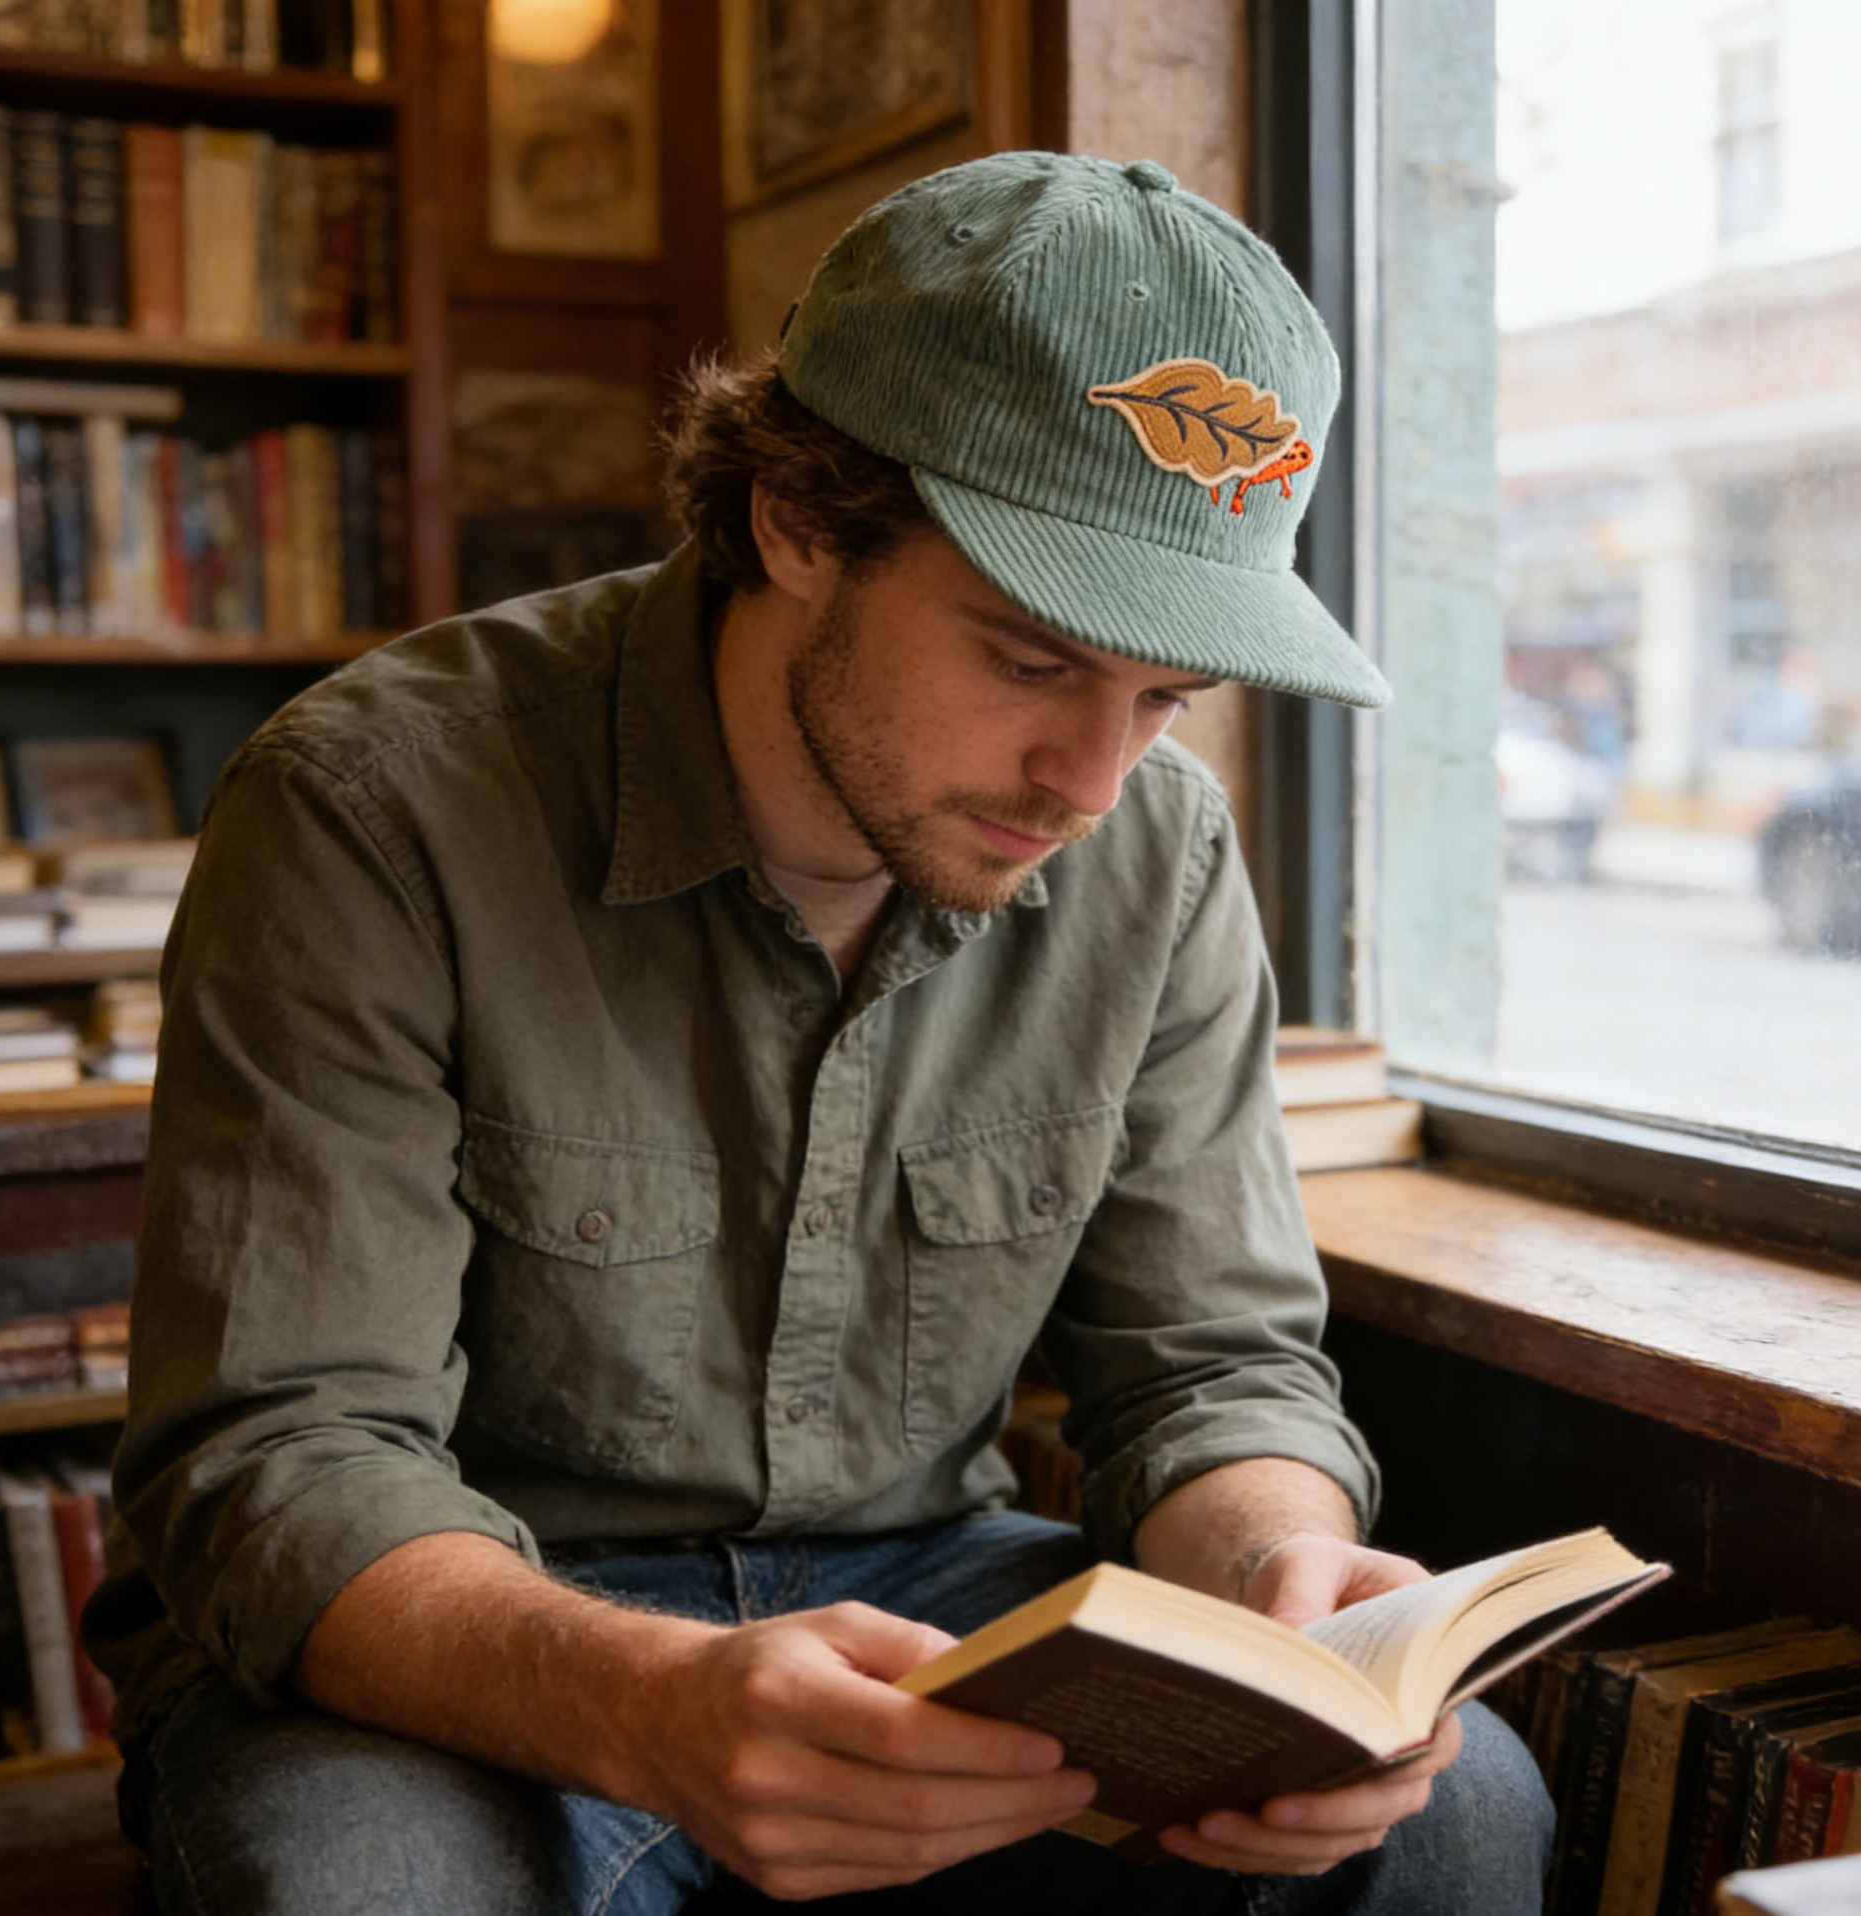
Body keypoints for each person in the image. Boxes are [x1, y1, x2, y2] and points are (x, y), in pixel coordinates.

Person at [84, 151, 1553, 1915]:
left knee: (1458, 1814)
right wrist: (655, 1702)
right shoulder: (373, 806)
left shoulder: (1158, 855)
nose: (1090, 783)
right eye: (1030, 660)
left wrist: (1280, 1582)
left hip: (927, 1585)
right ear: (796, 521)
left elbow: (1211, 1367)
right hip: (467, 1626)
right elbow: (281, 1457)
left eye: (1166, 694)